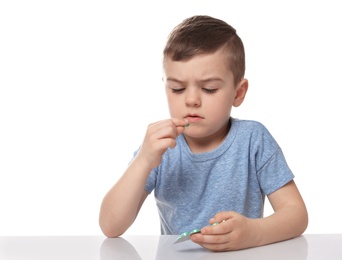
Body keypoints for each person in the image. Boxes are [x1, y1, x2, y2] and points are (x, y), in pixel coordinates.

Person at [99, 15, 308, 252]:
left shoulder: (253, 140)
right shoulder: (160, 149)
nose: (191, 100)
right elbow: (110, 226)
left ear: (238, 93)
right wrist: (143, 160)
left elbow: (296, 214)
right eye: (177, 89)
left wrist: (253, 233)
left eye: (209, 89)